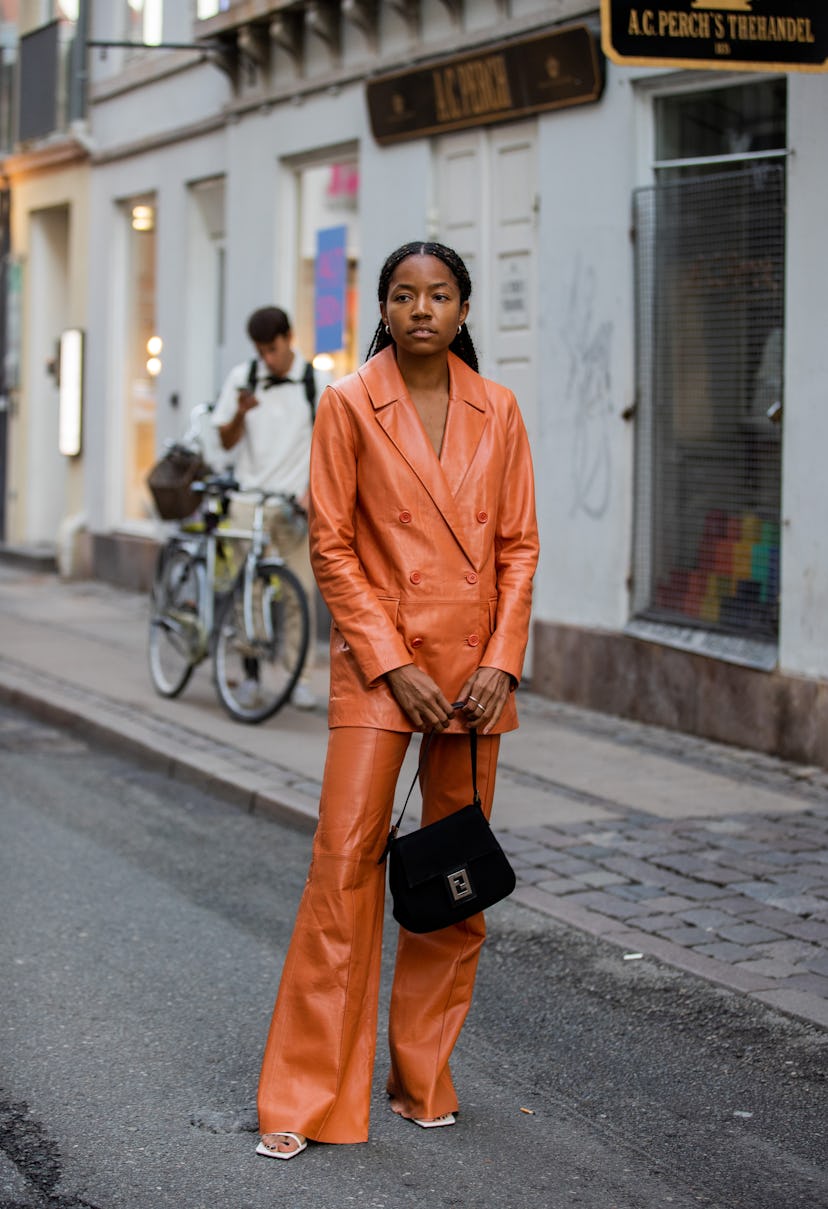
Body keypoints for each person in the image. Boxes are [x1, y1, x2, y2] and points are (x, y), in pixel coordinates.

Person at [256, 241, 539, 1160]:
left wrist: (501, 659)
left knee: (454, 879)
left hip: (474, 677)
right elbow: (331, 546)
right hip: (383, 672)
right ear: (382, 305)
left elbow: (520, 548)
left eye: (442, 293)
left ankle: (424, 1076)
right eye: (406, 294)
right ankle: (304, 1096)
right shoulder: (347, 404)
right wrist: (389, 660)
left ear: (462, 308)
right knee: (343, 868)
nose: (424, 308)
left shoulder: (500, 410)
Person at [212, 306, 318, 709]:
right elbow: (225, 441)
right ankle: (252, 675)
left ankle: (297, 677)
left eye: (272, 349)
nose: (268, 359)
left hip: (292, 504)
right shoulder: (244, 378)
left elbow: (331, 446)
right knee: (248, 594)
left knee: (298, 594)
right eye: (261, 351)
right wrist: (239, 413)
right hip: (248, 501)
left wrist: (312, 491)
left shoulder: (315, 382)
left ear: (288, 338)